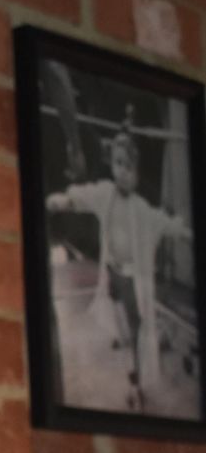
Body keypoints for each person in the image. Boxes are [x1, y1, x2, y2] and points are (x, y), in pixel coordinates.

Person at [46, 128, 191, 413]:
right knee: (120, 323)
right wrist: (64, 201)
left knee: (137, 328)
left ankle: (136, 380)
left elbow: (164, 223)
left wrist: (182, 230)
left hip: (132, 278)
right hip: (110, 274)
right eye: (117, 163)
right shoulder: (106, 194)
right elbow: (84, 197)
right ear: (111, 165)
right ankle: (129, 353)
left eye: (127, 165)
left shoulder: (140, 208)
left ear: (136, 170)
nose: (121, 171)